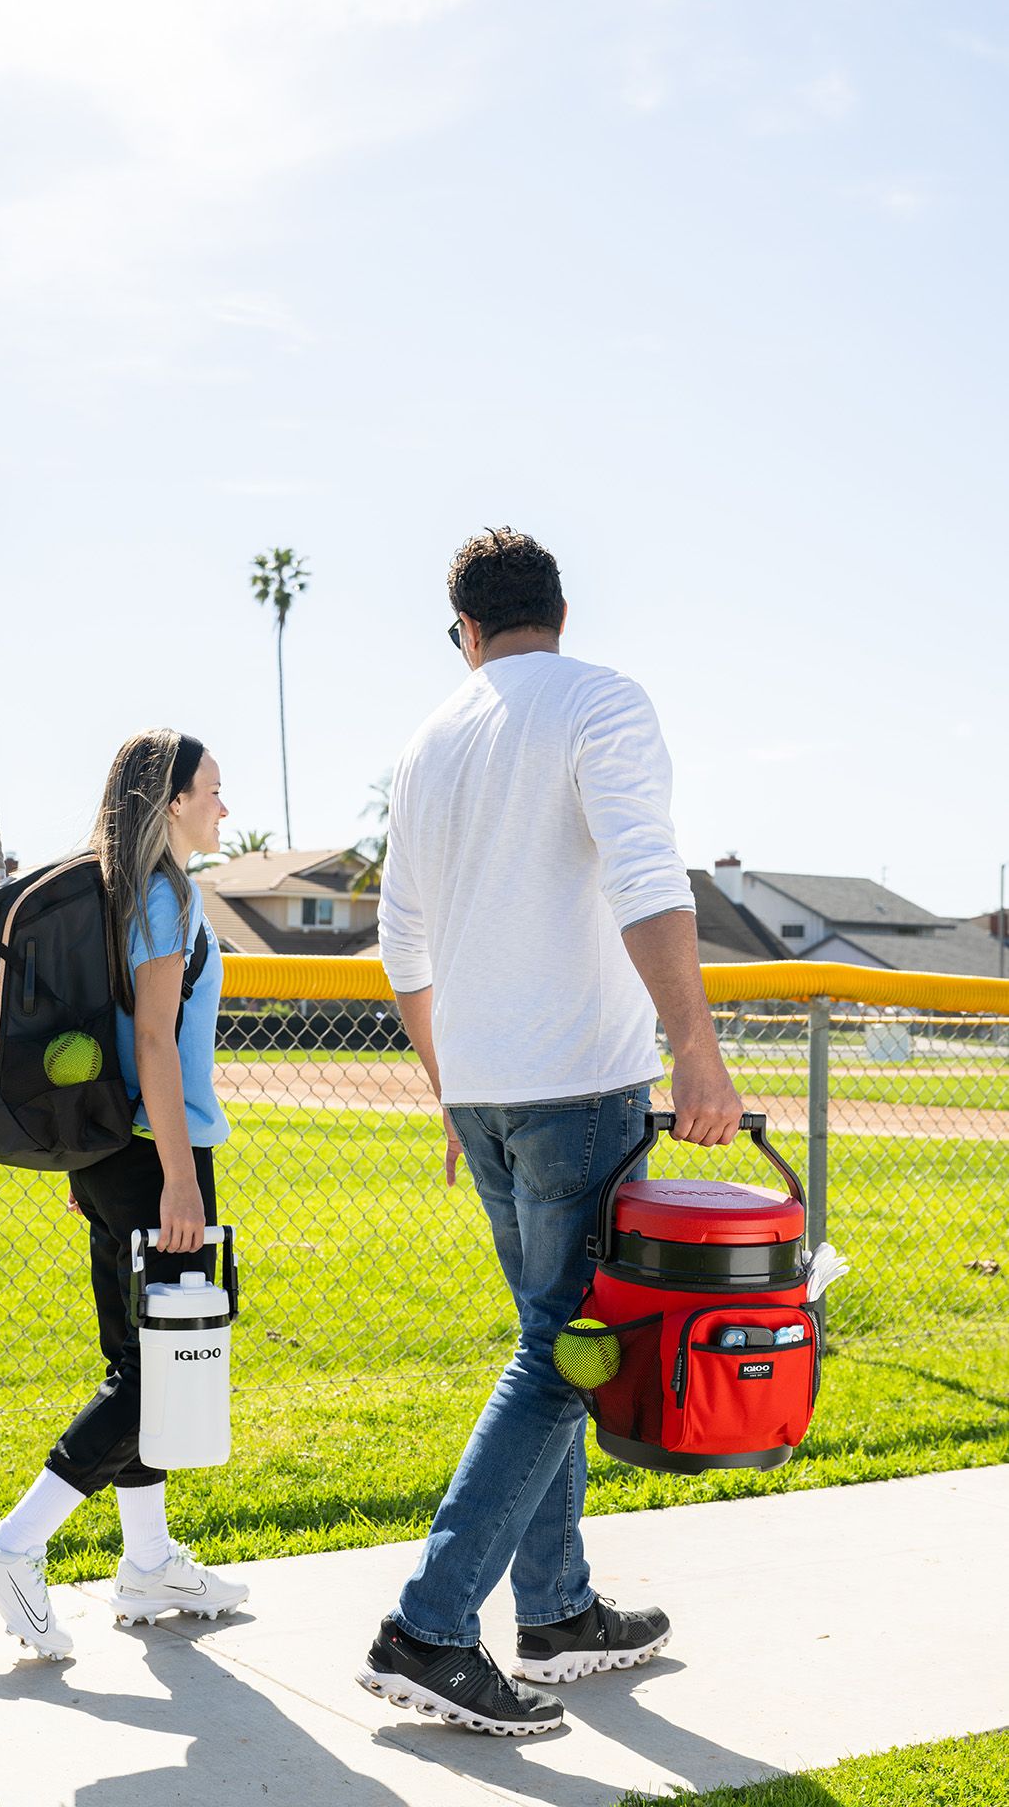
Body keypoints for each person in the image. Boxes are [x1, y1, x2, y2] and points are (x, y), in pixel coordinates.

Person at [358, 528, 742, 1737]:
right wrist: (694, 1044)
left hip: (483, 1085)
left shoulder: (429, 737)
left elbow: (399, 944)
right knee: (562, 1353)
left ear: (461, 631)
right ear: (561, 611)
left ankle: (560, 1609)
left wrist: (449, 1082)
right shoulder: (600, 699)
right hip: (580, 1081)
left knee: (554, 1338)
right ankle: (427, 1628)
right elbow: (645, 872)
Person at [0, 729, 248, 1656]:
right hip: (157, 1150)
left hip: (110, 1147)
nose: (223, 809)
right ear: (170, 805)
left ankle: (149, 1563)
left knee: (139, 1356)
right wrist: (178, 1182)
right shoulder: (165, 894)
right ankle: (13, 1545)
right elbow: (155, 1044)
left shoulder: (119, 893)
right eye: (212, 791)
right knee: (163, 1369)